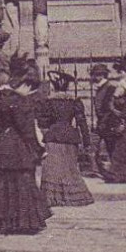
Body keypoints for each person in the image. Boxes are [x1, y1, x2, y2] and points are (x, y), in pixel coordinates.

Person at [0, 70, 53, 234]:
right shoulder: (20, 102)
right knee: (22, 183)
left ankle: (1, 219)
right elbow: (26, 130)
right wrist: (37, 148)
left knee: (3, 184)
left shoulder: (0, 100)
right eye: (30, 88)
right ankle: (23, 222)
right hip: (18, 147)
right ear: (24, 85)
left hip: (3, 145)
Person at [39, 71, 95, 206]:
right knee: (69, 169)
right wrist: (87, 142)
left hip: (53, 137)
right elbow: (82, 123)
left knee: (53, 170)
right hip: (70, 137)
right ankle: (72, 197)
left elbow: (43, 122)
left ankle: (53, 198)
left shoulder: (48, 102)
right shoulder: (74, 102)